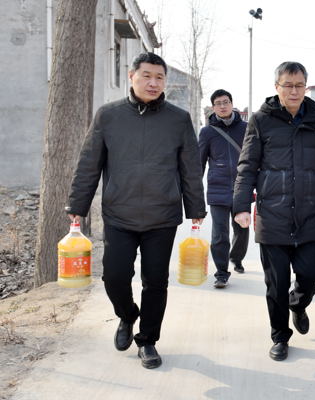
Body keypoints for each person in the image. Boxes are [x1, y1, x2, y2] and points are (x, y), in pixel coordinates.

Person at [66, 52, 206, 369]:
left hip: (162, 215)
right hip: (119, 213)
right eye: (147, 76)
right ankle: (128, 315)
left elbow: (190, 168)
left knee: (155, 282)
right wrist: (78, 204)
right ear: (132, 76)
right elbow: (89, 163)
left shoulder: (178, 119)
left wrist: (195, 206)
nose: (153, 83)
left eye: (159, 77)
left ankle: (148, 341)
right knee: (114, 277)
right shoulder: (108, 116)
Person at [232, 61, 315, 361]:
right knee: (276, 283)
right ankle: (280, 336)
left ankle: (298, 304)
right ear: (276, 87)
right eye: (288, 85)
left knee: (312, 272)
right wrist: (241, 206)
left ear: (306, 87)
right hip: (272, 214)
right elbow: (247, 165)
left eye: (299, 85)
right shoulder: (261, 120)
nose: (294, 91)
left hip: (309, 212)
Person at [198, 89, 249, 289]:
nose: (222, 106)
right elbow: (200, 163)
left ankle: (236, 257)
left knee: (241, 230)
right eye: (218, 103)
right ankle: (221, 272)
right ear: (213, 107)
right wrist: (195, 191)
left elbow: (254, 157)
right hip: (217, 188)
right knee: (219, 233)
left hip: (241, 188)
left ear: (232, 104)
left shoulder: (246, 128)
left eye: (225, 102)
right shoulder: (207, 132)